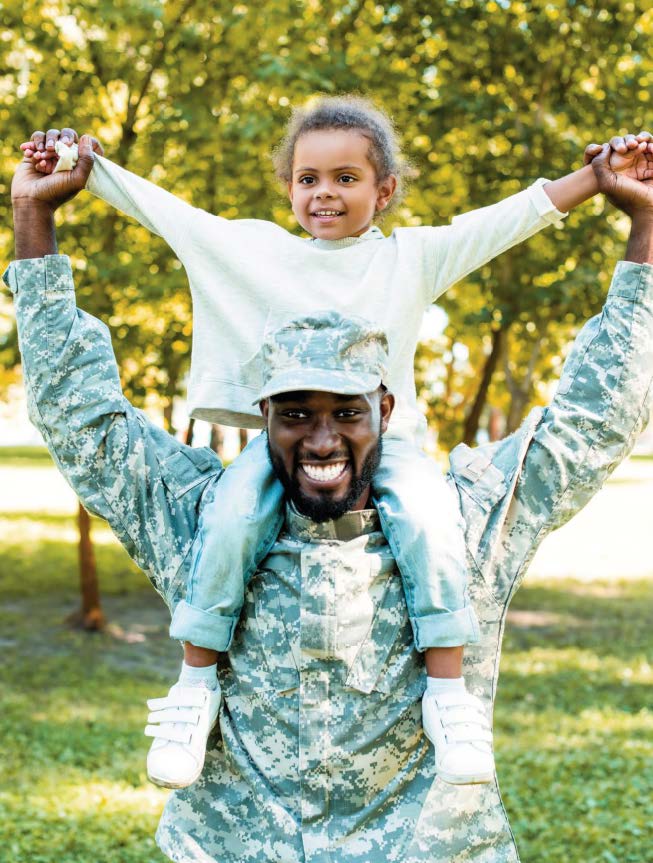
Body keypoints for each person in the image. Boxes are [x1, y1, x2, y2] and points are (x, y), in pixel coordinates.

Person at [8, 135, 653, 861]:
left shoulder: (461, 519)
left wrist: (645, 229)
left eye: (345, 413)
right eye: (295, 414)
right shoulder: (196, 516)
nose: (320, 441)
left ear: (383, 407)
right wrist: (33, 223)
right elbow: (78, 411)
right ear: (262, 415)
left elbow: (592, 418)